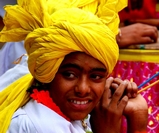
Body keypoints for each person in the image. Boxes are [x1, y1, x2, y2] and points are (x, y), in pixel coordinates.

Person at [0, 0, 148, 133]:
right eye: (69, 74)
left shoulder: (70, 113)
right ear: (47, 75)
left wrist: (137, 116)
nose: (83, 89)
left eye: (96, 77)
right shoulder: (40, 126)